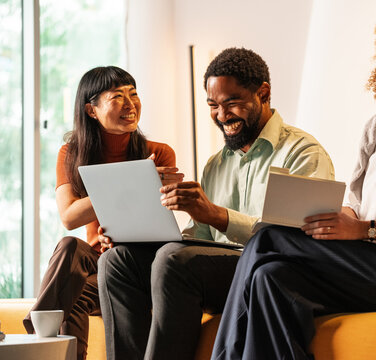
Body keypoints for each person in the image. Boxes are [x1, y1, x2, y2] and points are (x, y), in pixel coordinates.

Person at [211, 1, 376, 359]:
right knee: (270, 277)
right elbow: (356, 204)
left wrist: (367, 230)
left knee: (266, 237)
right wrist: (333, 220)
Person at [97, 47, 335, 360]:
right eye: (213, 105)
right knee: (117, 261)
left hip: (271, 274)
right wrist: (138, 236)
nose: (221, 116)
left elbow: (295, 243)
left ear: (263, 93)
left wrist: (215, 215)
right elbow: (199, 240)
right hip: (216, 274)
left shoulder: (302, 153)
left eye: (231, 102)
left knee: (173, 261)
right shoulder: (216, 164)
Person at [23, 66, 182, 360]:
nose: (130, 104)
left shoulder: (159, 153)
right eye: (117, 96)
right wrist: (133, 179)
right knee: (69, 245)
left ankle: (37, 338)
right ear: (91, 110)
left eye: (133, 94)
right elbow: (70, 217)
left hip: (137, 267)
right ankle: (45, 339)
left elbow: (158, 225)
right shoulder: (71, 153)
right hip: (95, 263)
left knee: (78, 293)